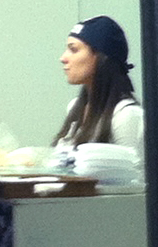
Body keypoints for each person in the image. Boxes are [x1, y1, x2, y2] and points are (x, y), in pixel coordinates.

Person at [52, 15, 143, 151]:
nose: (63, 58)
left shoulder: (126, 115)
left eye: (74, 50)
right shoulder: (75, 107)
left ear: (101, 57)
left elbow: (133, 164)